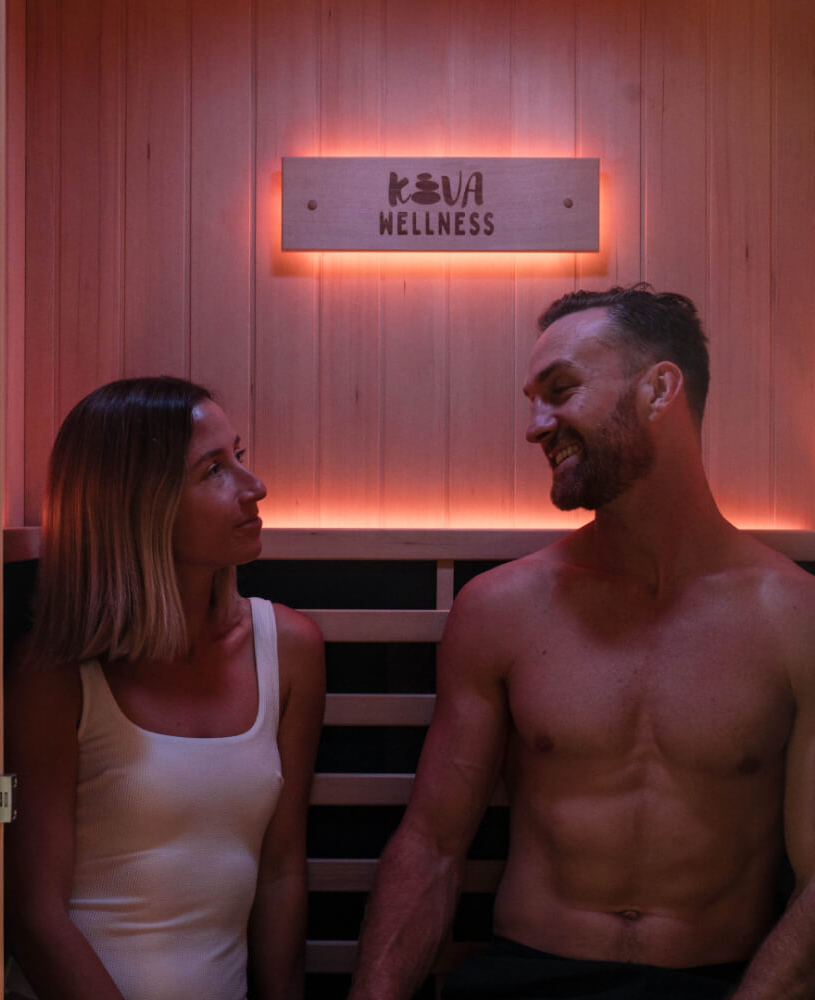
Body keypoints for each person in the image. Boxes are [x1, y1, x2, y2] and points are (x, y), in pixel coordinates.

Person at [348, 286, 815, 1000]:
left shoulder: (792, 616)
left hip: (716, 985)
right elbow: (434, 845)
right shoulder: (501, 610)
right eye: (532, 400)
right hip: (525, 978)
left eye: (560, 391)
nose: (537, 426)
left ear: (659, 389)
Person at [3, 376, 325, 1000]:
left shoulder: (289, 650)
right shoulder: (56, 674)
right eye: (214, 470)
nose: (254, 488)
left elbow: (281, 871)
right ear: (138, 504)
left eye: (240, 456)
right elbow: (35, 916)